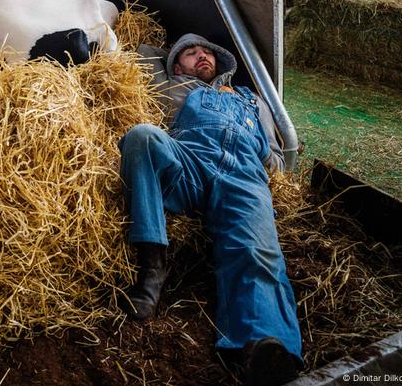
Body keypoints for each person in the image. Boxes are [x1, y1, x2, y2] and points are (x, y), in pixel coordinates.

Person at [119, 34, 301, 386]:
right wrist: (175, 59)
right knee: (142, 136)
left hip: (244, 177)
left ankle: (262, 345)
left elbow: (277, 158)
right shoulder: (169, 86)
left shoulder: (252, 99)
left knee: (256, 251)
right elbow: (143, 53)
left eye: (207, 52)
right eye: (190, 53)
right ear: (175, 65)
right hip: (189, 163)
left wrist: (267, 165)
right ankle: (153, 268)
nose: (201, 56)